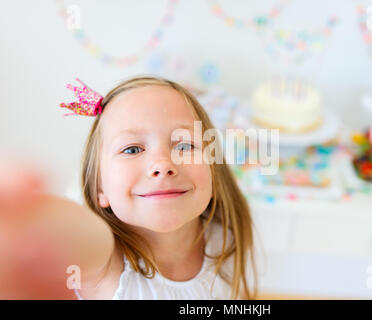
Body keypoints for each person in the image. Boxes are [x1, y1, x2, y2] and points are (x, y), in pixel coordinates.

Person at [0, 76, 257, 299]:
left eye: (184, 145)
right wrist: (23, 214)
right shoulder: (105, 262)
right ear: (100, 188)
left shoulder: (224, 237)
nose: (163, 164)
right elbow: (74, 233)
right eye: (132, 149)